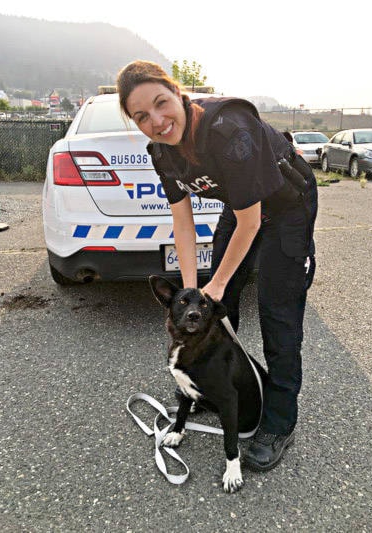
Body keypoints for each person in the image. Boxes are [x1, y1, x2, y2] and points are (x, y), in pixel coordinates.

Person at [117, 60, 318, 472]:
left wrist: (218, 285)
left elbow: (252, 221)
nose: (156, 120)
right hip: (242, 206)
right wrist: (192, 292)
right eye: (141, 116)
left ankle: (279, 421)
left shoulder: (229, 129)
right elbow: (182, 222)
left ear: (178, 93)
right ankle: (216, 385)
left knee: (275, 310)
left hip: (287, 207)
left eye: (161, 103)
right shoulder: (161, 152)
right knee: (209, 304)